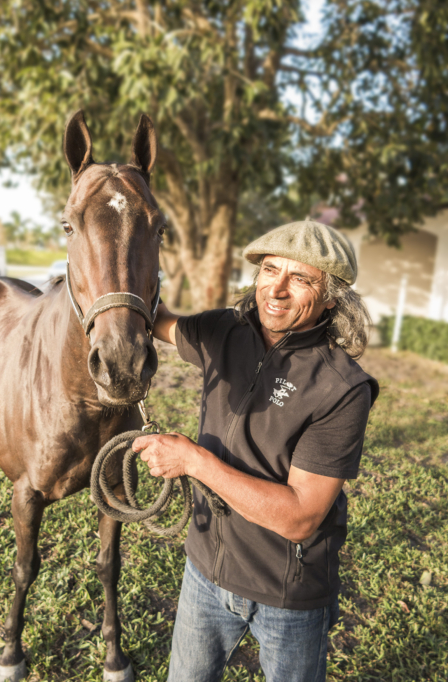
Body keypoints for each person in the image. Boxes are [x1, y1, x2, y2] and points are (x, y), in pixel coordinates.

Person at [133, 220, 379, 682]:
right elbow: (157, 320)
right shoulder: (222, 331)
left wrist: (192, 460)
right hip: (205, 570)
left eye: (301, 278)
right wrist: (125, 276)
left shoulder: (341, 387)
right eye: (270, 270)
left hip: (286, 592)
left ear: (331, 297)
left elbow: (302, 516)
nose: (277, 289)